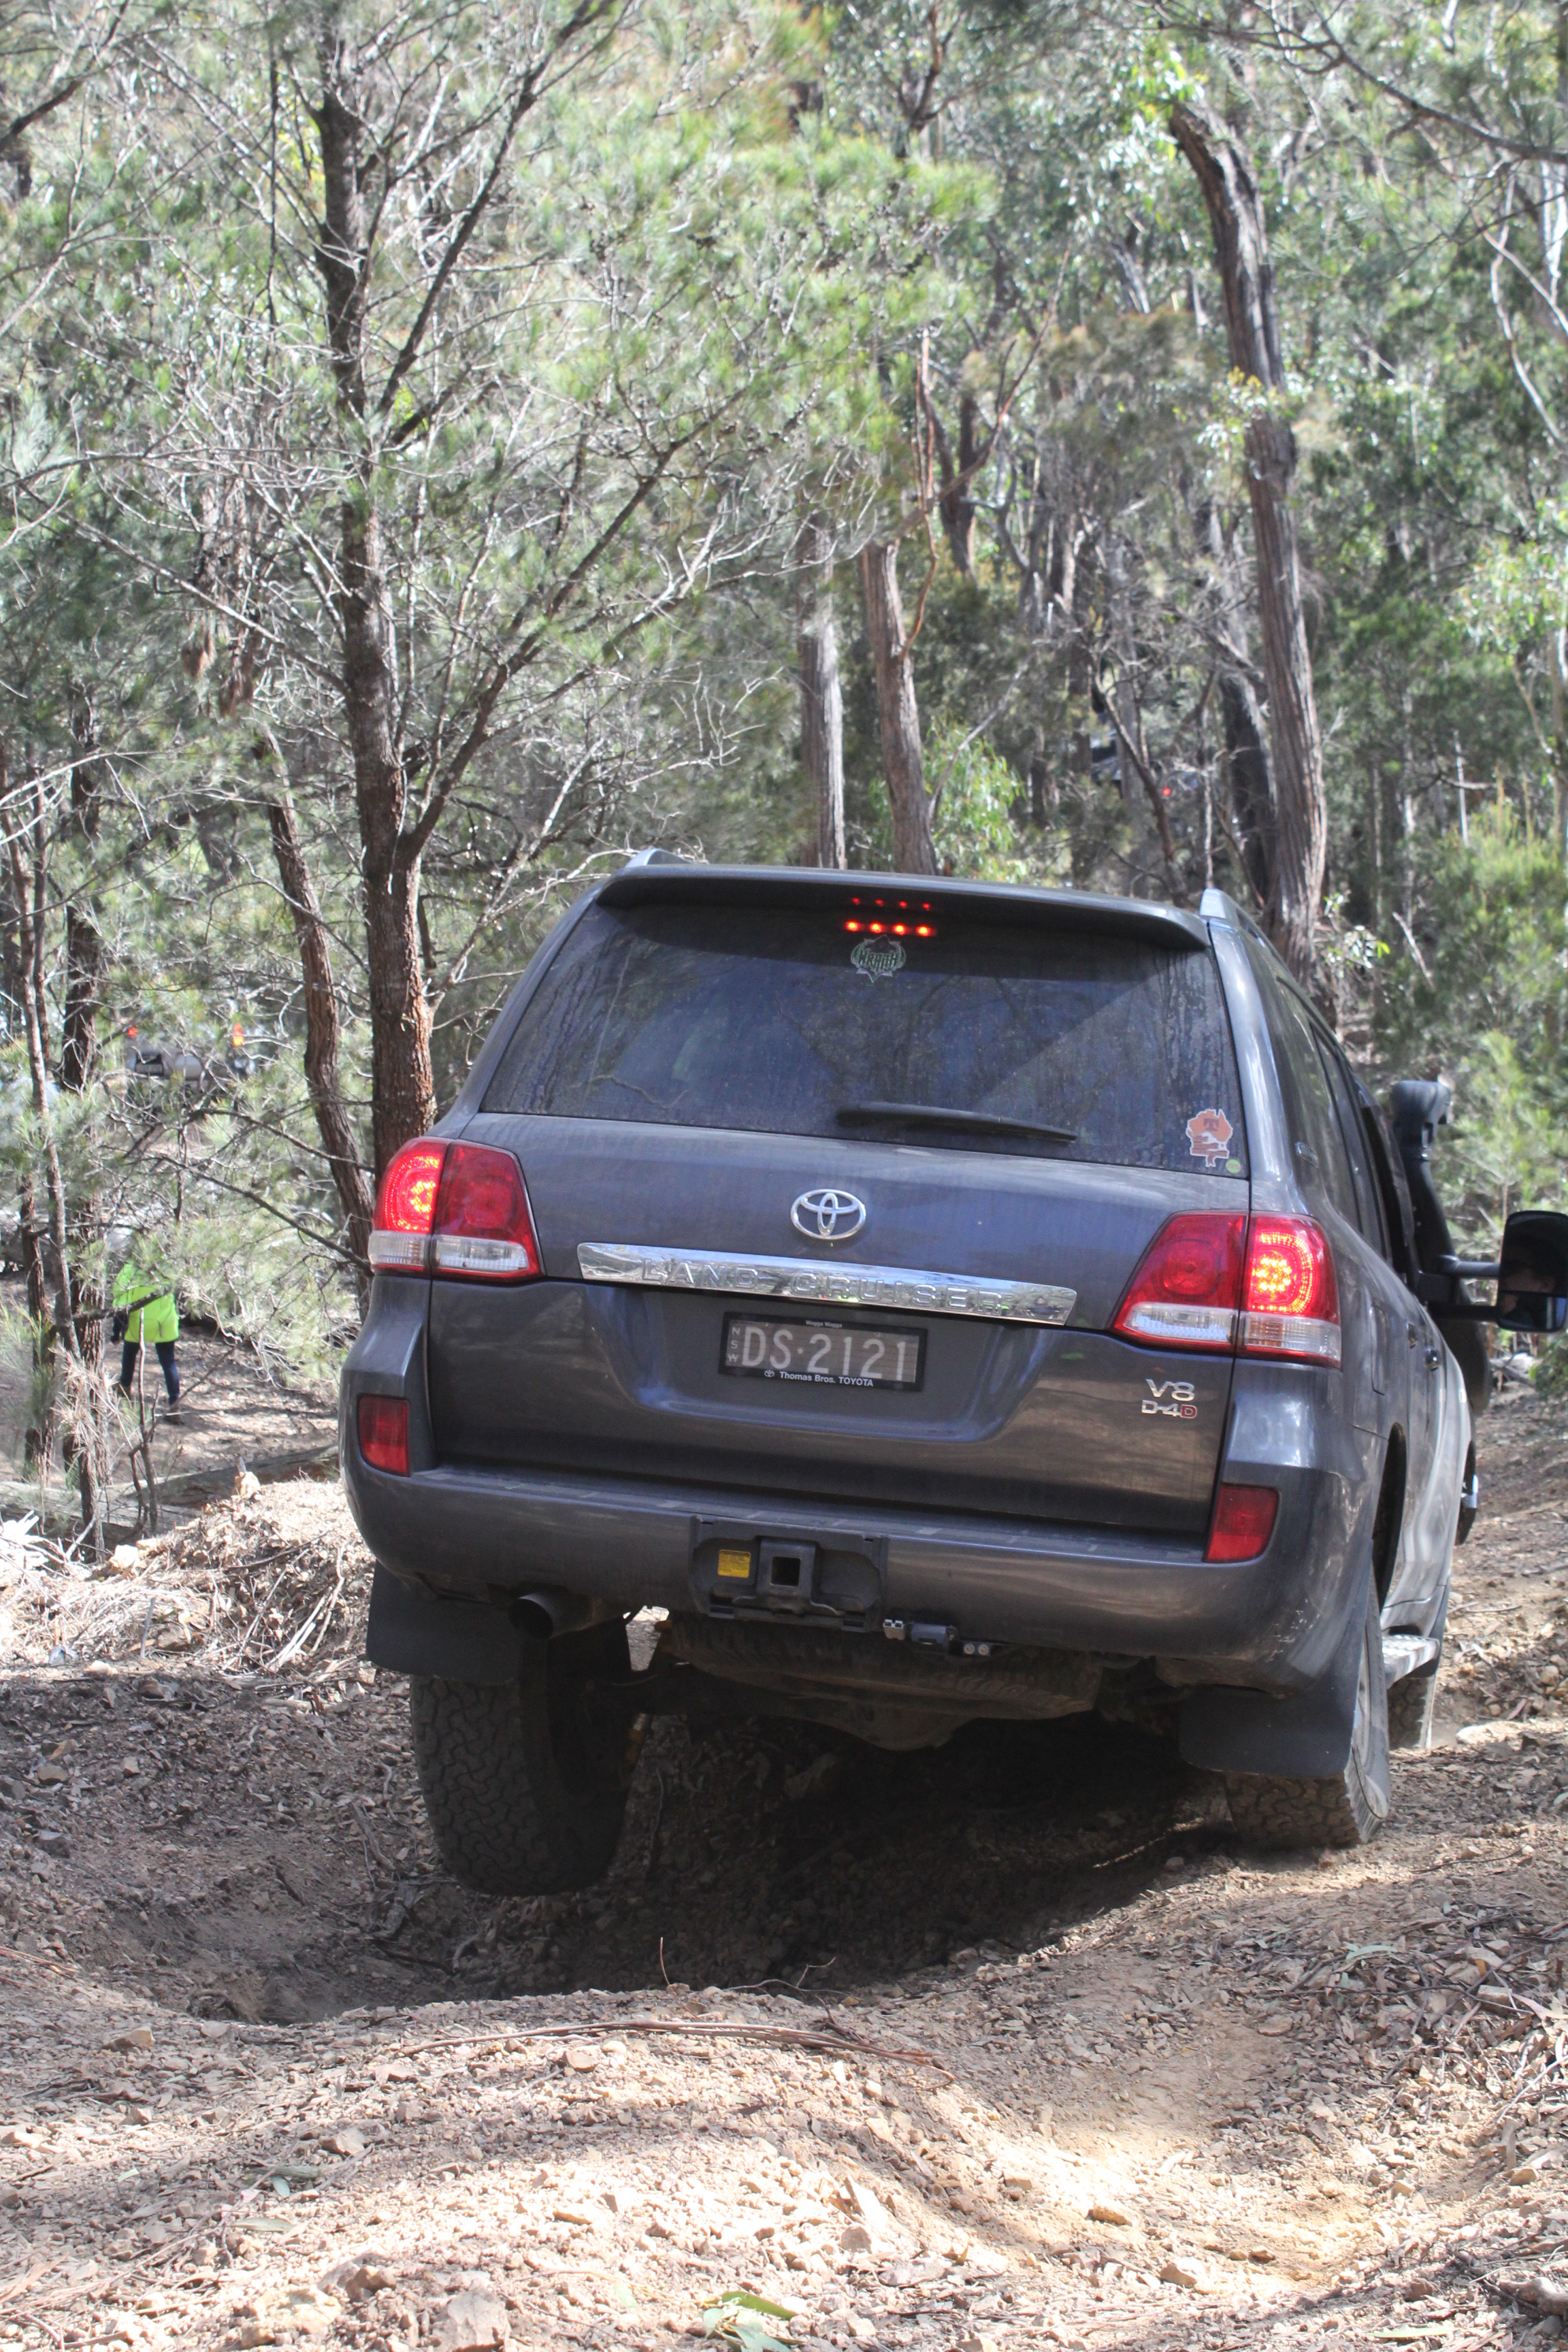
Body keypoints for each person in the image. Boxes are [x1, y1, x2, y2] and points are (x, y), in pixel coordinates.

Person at [112, 1258, 181, 1423]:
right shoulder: (167, 1266)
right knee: (168, 1362)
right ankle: (175, 1405)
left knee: (130, 1353)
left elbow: (120, 1304)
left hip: (139, 1322)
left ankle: (125, 1386)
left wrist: (116, 1333)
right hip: (165, 1322)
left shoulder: (130, 1271)